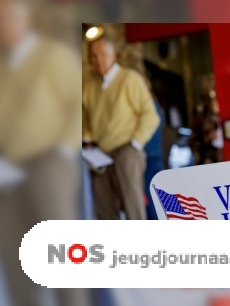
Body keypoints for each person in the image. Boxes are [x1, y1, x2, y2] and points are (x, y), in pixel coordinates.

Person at [0, 0, 87, 305]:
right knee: (12, 249)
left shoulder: (52, 56)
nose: (3, 26)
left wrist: (62, 151)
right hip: (8, 167)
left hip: (49, 161)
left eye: (8, 17)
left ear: (25, 20)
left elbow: (77, 103)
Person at [82, 36, 160, 220]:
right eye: (93, 56)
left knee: (132, 206)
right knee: (103, 207)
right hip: (100, 154)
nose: (98, 60)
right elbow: (85, 118)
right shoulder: (90, 86)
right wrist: (87, 141)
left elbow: (150, 115)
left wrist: (135, 144)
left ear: (113, 56)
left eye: (102, 54)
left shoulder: (129, 79)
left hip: (127, 150)